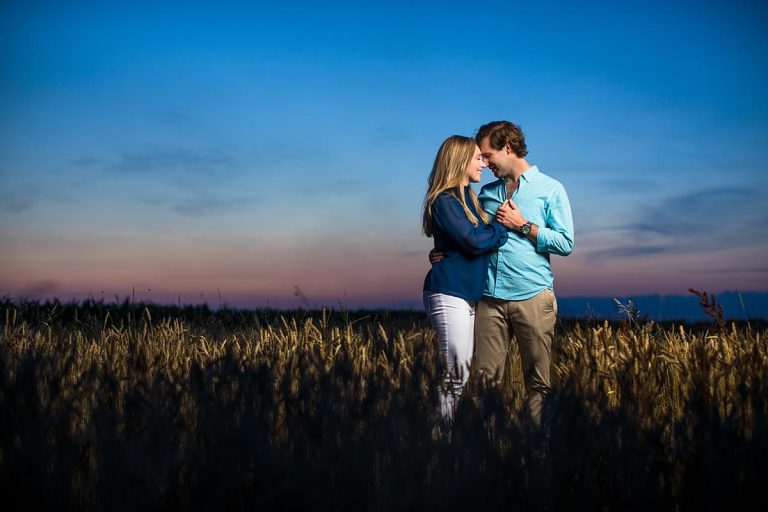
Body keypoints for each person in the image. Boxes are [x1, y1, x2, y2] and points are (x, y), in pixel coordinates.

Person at [431, 121, 574, 440]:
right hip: (488, 301)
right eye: (479, 157)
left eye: (488, 155)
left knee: (538, 382)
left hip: (533, 297)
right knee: (485, 383)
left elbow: (566, 243)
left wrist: (524, 225)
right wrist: (441, 252)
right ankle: (489, 456)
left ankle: (537, 450)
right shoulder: (486, 193)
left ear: (508, 149)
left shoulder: (551, 189)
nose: (484, 162)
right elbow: (468, 235)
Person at [422, 135, 509, 422]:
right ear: (459, 161)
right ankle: (439, 445)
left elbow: (469, 240)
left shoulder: (468, 199)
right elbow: (473, 241)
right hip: (449, 292)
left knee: (460, 372)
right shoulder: (445, 200)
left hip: (466, 294)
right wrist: (499, 228)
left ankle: (442, 439)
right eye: (477, 158)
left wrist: (484, 236)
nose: (483, 163)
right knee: (454, 373)